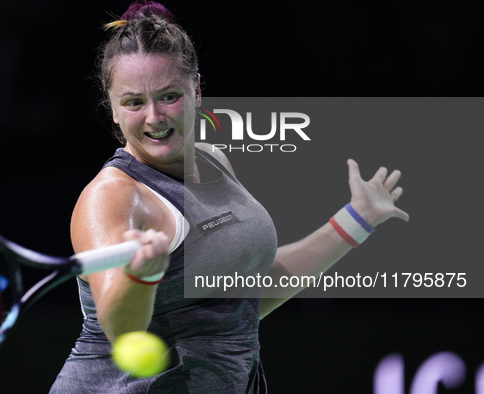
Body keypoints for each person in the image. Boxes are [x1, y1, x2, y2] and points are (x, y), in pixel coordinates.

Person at [49, 1, 409, 393]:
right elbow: (120, 331)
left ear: (197, 89)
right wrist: (141, 276)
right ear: (114, 110)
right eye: (134, 102)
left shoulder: (214, 161)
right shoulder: (111, 198)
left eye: (169, 96)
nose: (154, 117)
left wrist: (357, 220)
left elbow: (243, 298)